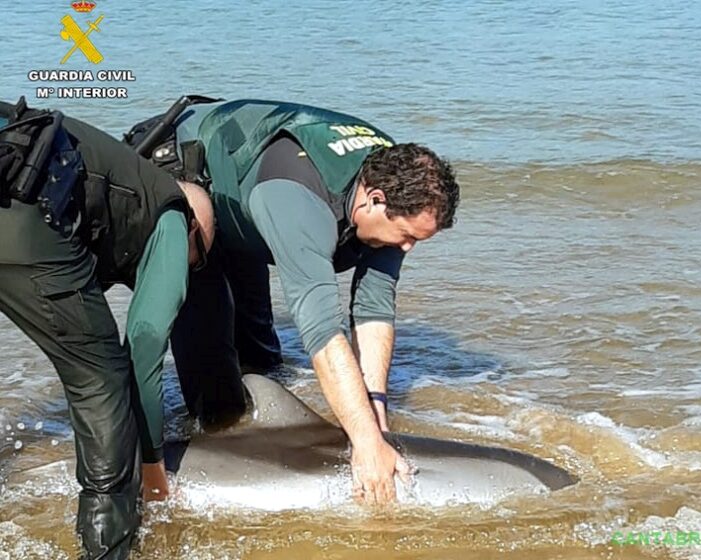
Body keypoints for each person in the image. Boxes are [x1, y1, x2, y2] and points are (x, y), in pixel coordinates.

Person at [129, 98, 460, 506]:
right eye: (406, 235)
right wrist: (364, 443)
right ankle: (167, 472)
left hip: (246, 195)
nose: (408, 248)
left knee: (262, 363)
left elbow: (374, 308)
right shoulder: (298, 203)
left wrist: (375, 419)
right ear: (374, 199)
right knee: (216, 399)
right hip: (189, 186)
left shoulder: (397, 186)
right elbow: (321, 330)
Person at [0, 98, 214, 559]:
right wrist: (153, 467)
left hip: (17, 180)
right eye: (199, 260)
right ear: (194, 229)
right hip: (24, 203)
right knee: (100, 379)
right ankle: (108, 549)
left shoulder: (118, 185)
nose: (188, 274)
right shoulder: (173, 213)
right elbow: (144, 340)